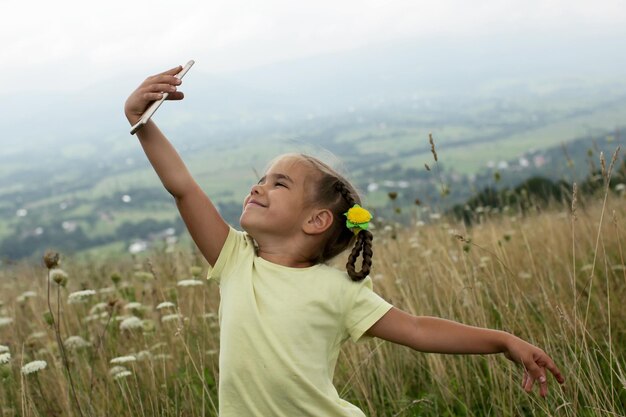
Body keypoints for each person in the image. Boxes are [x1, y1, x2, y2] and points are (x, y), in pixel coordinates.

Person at [124, 65, 565, 417]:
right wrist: (141, 122)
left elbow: (417, 329)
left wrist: (503, 340)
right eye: (260, 179)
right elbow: (182, 187)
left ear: (316, 220)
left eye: (278, 184)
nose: (258, 187)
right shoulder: (236, 259)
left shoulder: (340, 290)